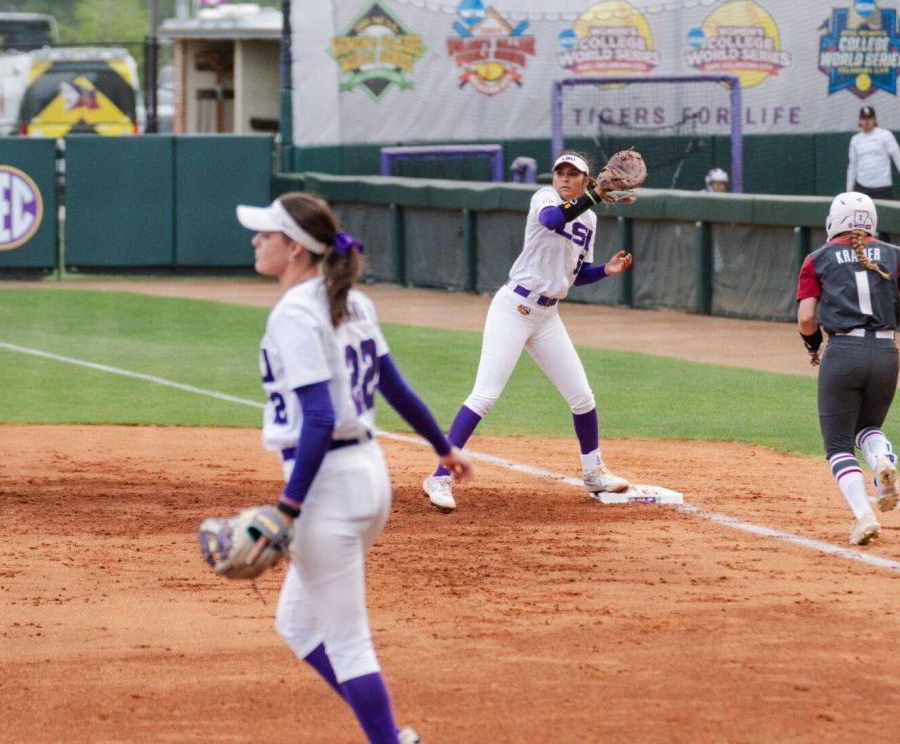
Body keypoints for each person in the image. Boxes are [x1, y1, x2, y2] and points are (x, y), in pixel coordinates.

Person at [236, 192, 473, 744]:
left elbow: (317, 417)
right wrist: (443, 447)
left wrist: (287, 509)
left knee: (347, 641)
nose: (256, 241)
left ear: (293, 249)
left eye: (266, 234)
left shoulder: (295, 312)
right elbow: (395, 386)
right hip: (367, 476)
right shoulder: (353, 301)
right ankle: (390, 732)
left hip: (328, 489)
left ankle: (388, 741)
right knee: (296, 625)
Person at [422, 151, 636, 511]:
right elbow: (553, 220)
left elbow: (574, 274)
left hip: (548, 316)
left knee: (582, 397)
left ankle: (594, 472)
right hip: (514, 309)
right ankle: (439, 476)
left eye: (574, 174)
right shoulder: (546, 199)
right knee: (485, 395)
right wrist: (594, 194)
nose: (565, 178)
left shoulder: (589, 220)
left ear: (585, 180)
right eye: (560, 172)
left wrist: (606, 271)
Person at [795, 192, 900, 546]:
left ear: (835, 222)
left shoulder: (818, 259)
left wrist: (813, 347)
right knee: (869, 427)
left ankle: (864, 515)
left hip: (844, 351)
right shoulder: (895, 253)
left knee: (838, 445)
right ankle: (881, 462)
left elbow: (807, 318)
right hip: (887, 352)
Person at [845, 106, 900, 201]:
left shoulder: (885, 135)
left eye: (869, 118)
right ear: (859, 121)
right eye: (864, 118)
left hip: (883, 188)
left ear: (875, 120)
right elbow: (852, 166)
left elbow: (898, 158)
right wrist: (849, 190)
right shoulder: (855, 140)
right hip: (862, 188)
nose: (867, 121)